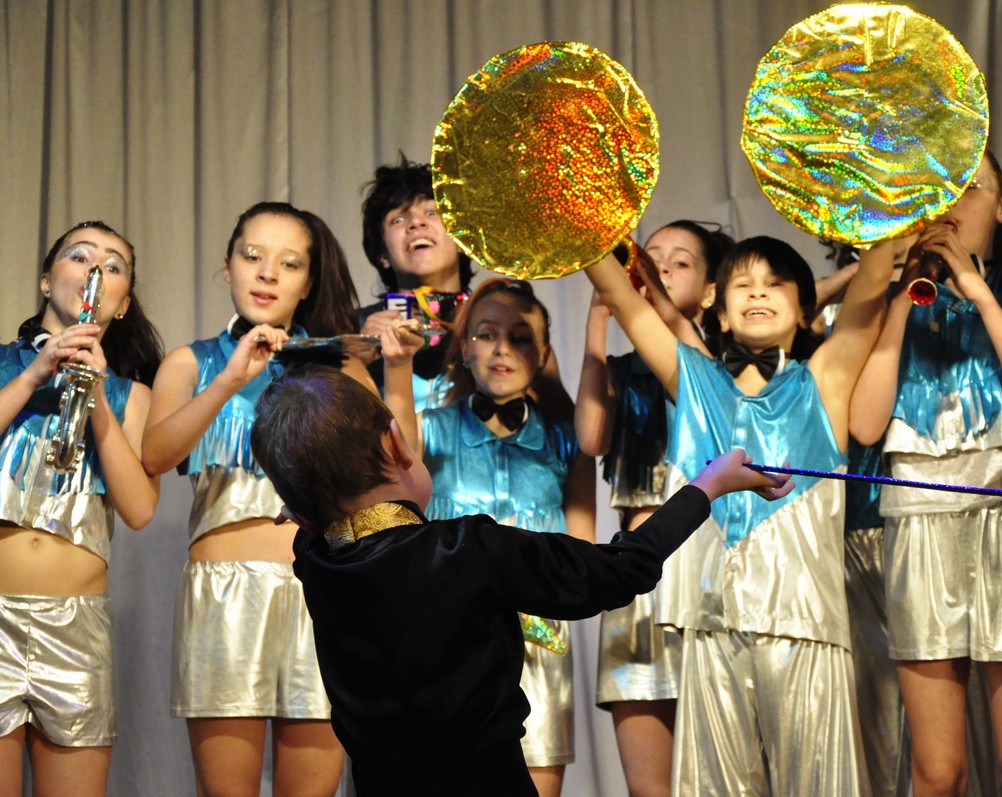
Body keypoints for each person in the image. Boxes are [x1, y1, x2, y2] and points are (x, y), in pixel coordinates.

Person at [248, 363, 792, 797]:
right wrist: (706, 486)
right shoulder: (468, 549)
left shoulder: (319, 565)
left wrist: (310, 512)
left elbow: (317, 533)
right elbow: (618, 570)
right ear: (396, 442)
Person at [585, 229, 895, 794]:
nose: (758, 292)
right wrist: (574, 215)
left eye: (776, 283)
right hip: (712, 629)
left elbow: (872, 286)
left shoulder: (824, 380)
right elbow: (623, 297)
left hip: (806, 630)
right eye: (743, 283)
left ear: (806, 311)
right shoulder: (694, 380)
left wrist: (885, 209)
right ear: (721, 313)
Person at [850, 150, 1002, 796]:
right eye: (938, 189)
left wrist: (978, 291)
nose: (951, 204)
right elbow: (865, 425)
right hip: (917, 523)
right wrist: (900, 299)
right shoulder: (890, 303)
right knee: (938, 770)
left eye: (970, 187)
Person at [142, 202, 370, 797]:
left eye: (289, 263)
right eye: (253, 256)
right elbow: (155, 455)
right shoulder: (191, 361)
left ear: (308, 282)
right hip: (223, 591)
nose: (268, 273)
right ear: (228, 265)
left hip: (322, 589)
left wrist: (394, 369)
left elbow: (400, 466)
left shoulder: (340, 367)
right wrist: (229, 380)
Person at [0, 220, 163, 796]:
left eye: (113, 266)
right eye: (80, 256)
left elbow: (139, 510)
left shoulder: (133, 395)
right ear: (47, 280)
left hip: (76, 625)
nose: (95, 270)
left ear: (121, 304)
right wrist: (33, 375)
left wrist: (97, 394)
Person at [382, 277, 594, 797]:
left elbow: (582, 555)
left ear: (543, 353)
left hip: (540, 646)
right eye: (486, 334)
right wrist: (397, 365)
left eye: (521, 337)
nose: (502, 349)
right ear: (463, 347)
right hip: (447, 642)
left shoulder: (567, 440)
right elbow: (394, 458)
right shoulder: (432, 428)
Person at [576, 220, 732, 797]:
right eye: (652, 256)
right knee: (650, 786)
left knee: (721, 773)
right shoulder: (620, 371)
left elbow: (703, 386)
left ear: (712, 291)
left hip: (707, 580)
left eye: (679, 261)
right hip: (638, 582)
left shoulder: (719, 367)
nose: (660, 266)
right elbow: (591, 438)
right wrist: (598, 317)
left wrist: (645, 291)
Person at [355, 154, 475, 408]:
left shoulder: (501, 322)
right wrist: (357, 360)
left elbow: (553, 419)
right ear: (383, 254)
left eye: (432, 212)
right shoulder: (353, 329)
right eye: (398, 220)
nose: (416, 223)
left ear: (461, 238)